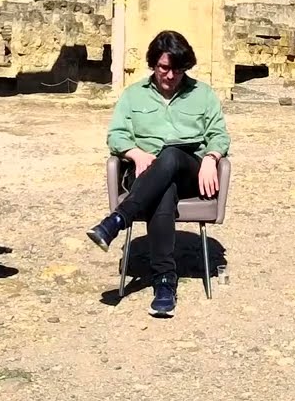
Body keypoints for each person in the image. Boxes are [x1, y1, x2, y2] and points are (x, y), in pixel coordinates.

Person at [85, 30, 230, 318]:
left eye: (178, 68)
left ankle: (118, 220)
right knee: (163, 189)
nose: (171, 75)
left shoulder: (202, 94)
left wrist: (212, 158)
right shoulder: (133, 95)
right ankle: (165, 282)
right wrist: (135, 153)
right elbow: (115, 136)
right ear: (153, 64)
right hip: (144, 171)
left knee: (172, 154)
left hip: (191, 171)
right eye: (165, 67)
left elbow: (220, 135)